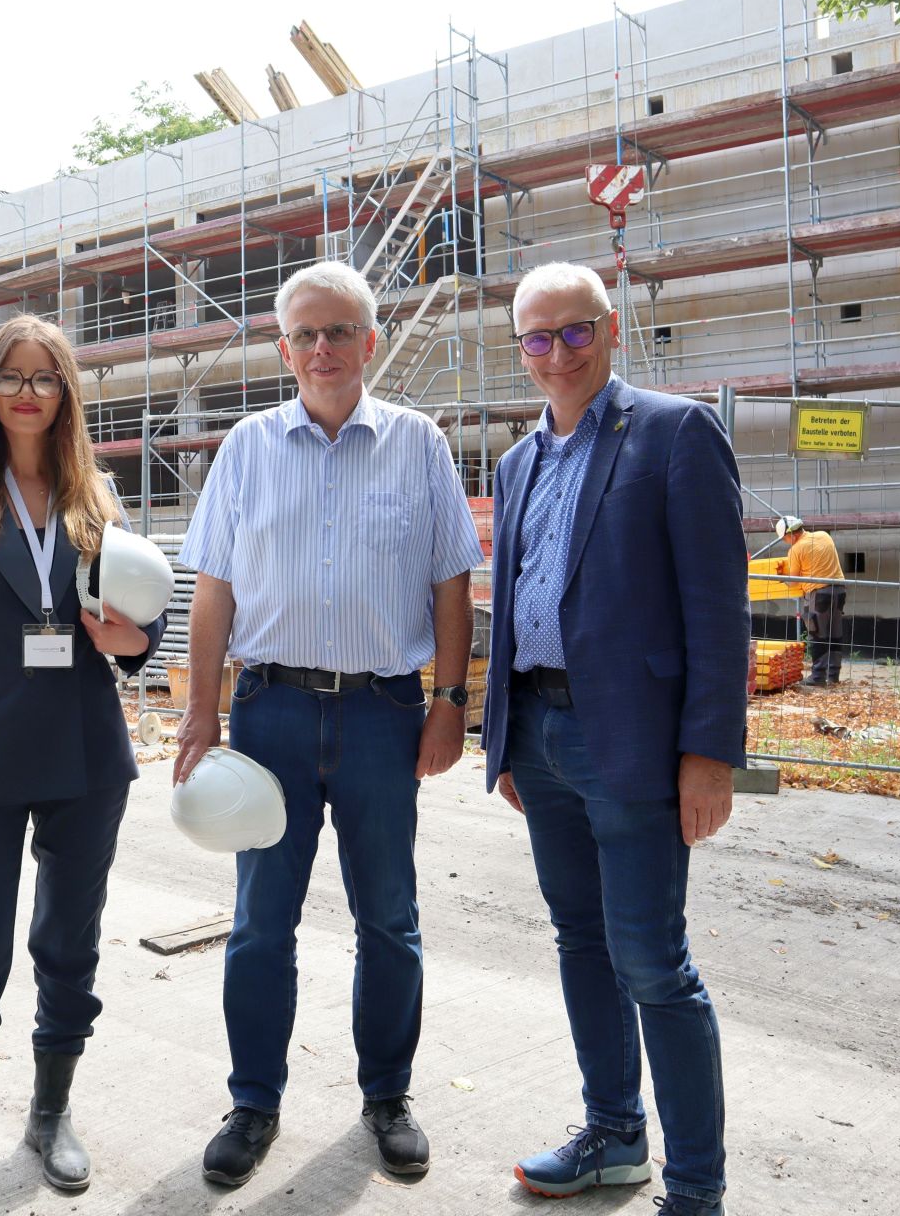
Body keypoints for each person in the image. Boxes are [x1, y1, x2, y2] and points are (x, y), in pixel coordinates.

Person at [175, 260, 484, 1187]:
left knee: (388, 917)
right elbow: (214, 589)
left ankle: (387, 1094)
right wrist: (201, 711)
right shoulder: (245, 448)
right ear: (283, 349)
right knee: (260, 923)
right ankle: (254, 1100)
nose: (322, 349)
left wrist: (450, 701)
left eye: (339, 331)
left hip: (385, 714)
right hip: (269, 712)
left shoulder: (420, 443)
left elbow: (452, 584)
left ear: (370, 342)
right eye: (305, 335)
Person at [481, 261, 747, 1216]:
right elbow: (512, 605)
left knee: (652, 964)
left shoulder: (675, 433)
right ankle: (613, 1135)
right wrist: (505, 738)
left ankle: (696, 1192)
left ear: (612, 330)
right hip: (543, 736)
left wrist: (709, 754)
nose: (558, 353)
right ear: (521, 347)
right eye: (538, 338)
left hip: (631, 741)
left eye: (575, 331)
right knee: (579, 943)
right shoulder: (516, 464)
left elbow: (719, 608)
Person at [0, 314, 166, 1216]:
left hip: (87, 752)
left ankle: (50, 1115)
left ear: (66, 394)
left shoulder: (98, 495)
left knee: (68, 947)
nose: (26, 391)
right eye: (11, 376)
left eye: (44, 378)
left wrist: (139, 643)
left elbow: (140, 617)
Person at [773, 515, 847, 686]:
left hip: (818, 594)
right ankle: (833, 675)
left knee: (818, 634)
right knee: (835, 634)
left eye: (785, 538)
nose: (786, 542)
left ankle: (818, 677)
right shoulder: (824, 536)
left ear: (791, 534)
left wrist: (781, 578)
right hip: (840, 591)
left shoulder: (796, 549)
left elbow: (793, 582)